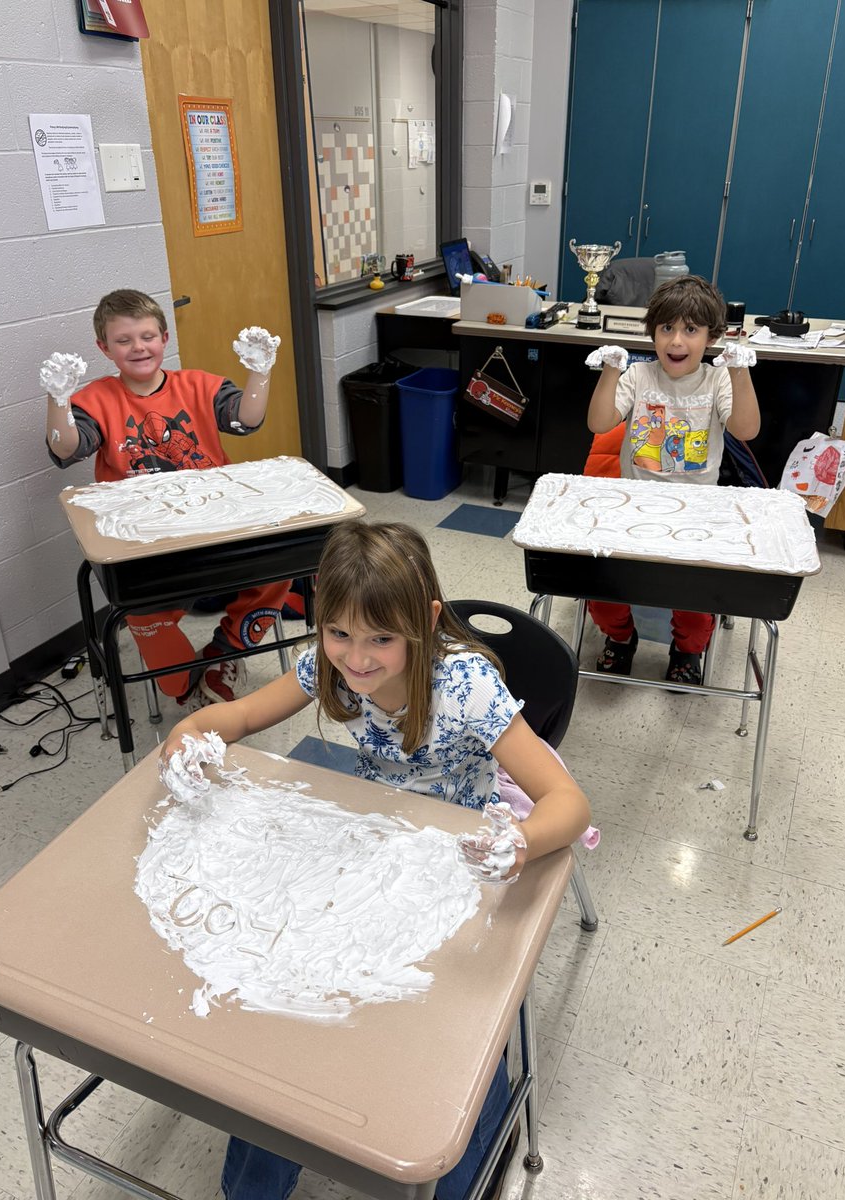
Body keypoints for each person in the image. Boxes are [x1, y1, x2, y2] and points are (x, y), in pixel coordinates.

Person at [161, 518, 593, 1200]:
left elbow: (567, 802)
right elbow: (238, 719)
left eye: (380, 640)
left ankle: (472, 1167)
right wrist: (187, 736)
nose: (356, 660)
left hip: (465, 857)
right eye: (339, 634)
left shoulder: (467, 686)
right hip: (372, 846)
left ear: (423, 622)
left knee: (458, 1029)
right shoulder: (327, 664)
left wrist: (520, 843)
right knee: (290, 1004)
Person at [40, 288, 295, 707]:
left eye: (147, 336)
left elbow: (247, 421)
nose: (138, 347)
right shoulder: (95, 400)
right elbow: (67, 447)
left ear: (165, 338)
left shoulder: (199, 385)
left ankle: (226, 652)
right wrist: (58, 399)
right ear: (104, 348)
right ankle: (185, 678)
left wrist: (261, 372)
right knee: (152, 638)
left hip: (217, 524)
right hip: (148, 540)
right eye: (124, 340)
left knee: (280, 567)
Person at [585, 274, 760, 685]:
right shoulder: (640, 376)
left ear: (711, 337)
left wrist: (740, 374)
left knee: (698, 597)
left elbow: (746, 429)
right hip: (634, 505)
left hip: (696, 513)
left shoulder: (716, 379)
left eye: (691, 330)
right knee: (602, 584)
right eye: (666, 328)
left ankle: (686, 650)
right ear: (653, 333)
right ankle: (620, 638)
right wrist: (612, 370)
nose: (676, 341)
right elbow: (599, 422)